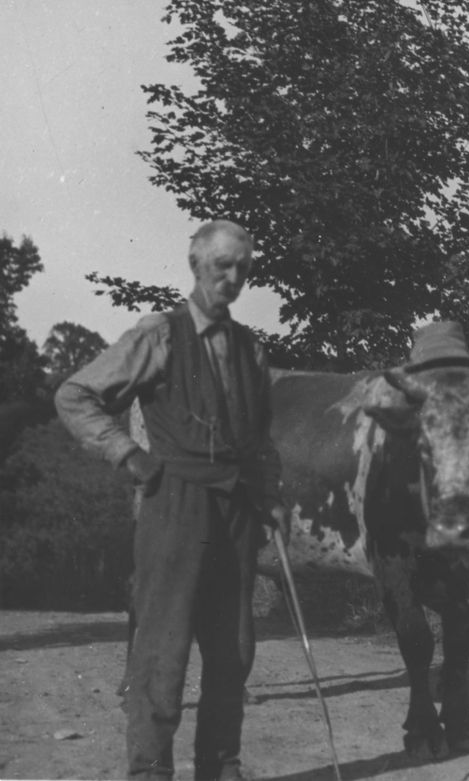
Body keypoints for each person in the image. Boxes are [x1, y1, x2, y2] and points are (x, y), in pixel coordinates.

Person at [56, 220, 288, 781]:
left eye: (243, 269)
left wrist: (269, 494)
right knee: (163, 650)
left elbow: (256, 439)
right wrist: (127, 454)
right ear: (195, 264)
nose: (232, 279)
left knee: (232, 650)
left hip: (234, 510)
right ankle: (151, 771)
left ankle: (220, 767)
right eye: (221, 266)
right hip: (175, 504)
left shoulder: (250, 348)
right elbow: (75, 394)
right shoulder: (159, 335)